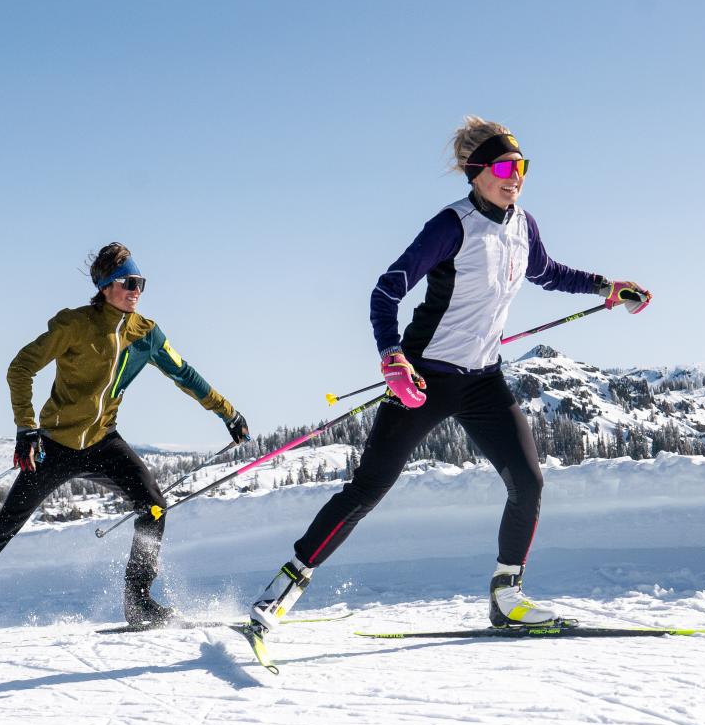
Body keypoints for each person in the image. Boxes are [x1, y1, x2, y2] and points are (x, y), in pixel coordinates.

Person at [249, 117, 650, 631]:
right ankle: (283, 588)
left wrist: (605, 287)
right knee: (368, 490)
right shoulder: (452, 225)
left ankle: (508, 597)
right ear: (477, 171)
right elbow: (386, 290)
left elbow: (548, 273)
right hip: (424, 377)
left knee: (527, 482)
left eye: (522, 166)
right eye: (505, 166)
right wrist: (392, 356)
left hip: (484, 380)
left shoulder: (524, 225)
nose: (516, 176)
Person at [0, 242, 250, 637]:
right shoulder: (74, 325)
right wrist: (26, 427)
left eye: (141, 282)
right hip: (56, 447)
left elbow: (184, 374)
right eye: (128, 282)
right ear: (105, 286)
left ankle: (138, 602)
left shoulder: (147, 334)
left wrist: (228, 412)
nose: (136, 289)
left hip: (104, 442)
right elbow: (20, 368)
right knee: (7, 523)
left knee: (153, 507)